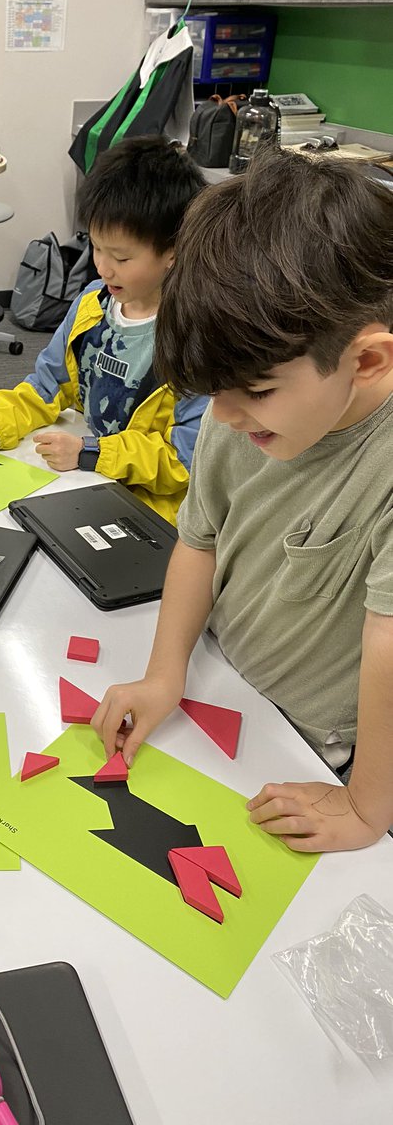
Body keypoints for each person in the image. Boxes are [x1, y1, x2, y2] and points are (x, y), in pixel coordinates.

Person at [91, 149, 393, 854]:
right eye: (212, 393)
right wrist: (166, 674)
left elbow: (388, 649)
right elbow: (199, 540)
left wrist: (367, 808)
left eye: (253, 393)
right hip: (229, 689)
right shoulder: (242, 405)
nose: (223, 418)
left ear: (368, 361)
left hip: (321, 747)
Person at [0, 135, 208, 524]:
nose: (103, 267)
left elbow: (186, 457)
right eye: (97, 247)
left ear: (174, 250)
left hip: (151, 511)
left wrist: (93, 453)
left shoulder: (196, 336)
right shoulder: (92, 304)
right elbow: (45, 386)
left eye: (121, 257)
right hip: (84, 482)